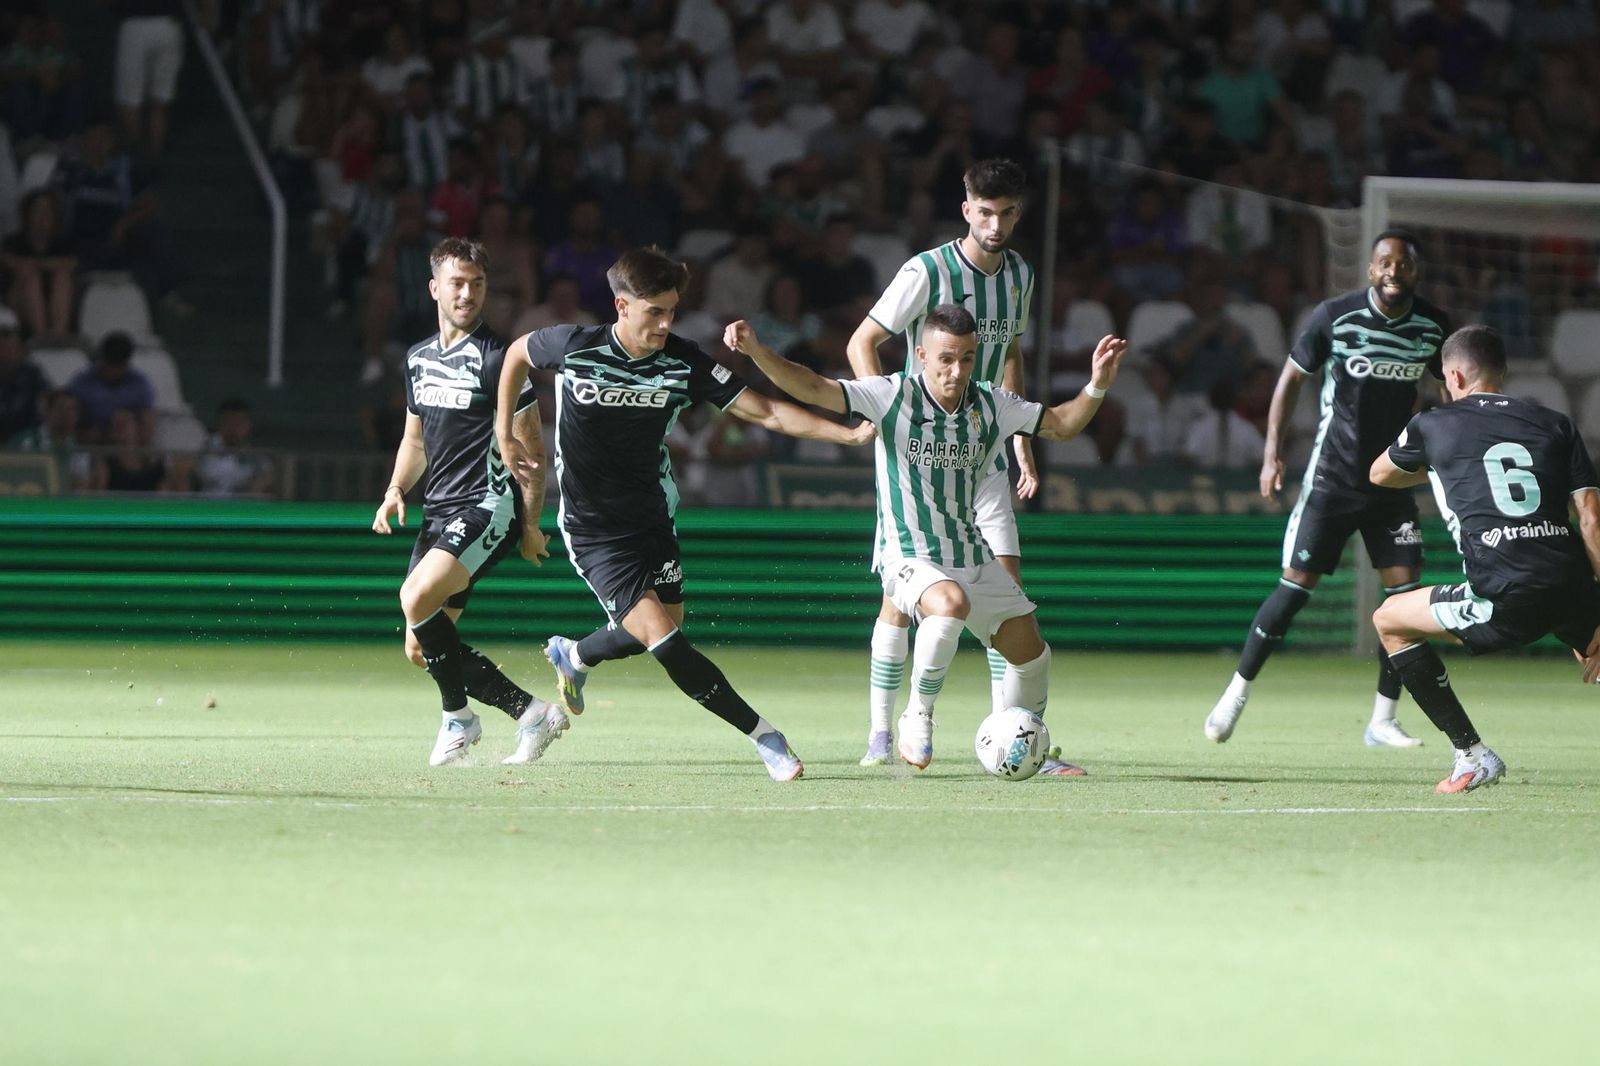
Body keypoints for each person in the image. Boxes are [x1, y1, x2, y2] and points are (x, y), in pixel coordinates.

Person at [493, 246, 873, 782]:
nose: (665, 324)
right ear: (622, 306)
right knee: (665, 640)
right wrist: (504, 429)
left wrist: (847, 435)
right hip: (594, 529)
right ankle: (766, 737)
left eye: (672, 311)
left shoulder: (684, 360)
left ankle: (574, 655)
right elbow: (515, 354)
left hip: (654, 518)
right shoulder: (573, 345)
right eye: (655, 312)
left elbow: (764, 411)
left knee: (660, 628)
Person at [726, 306, 1128, 770]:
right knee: (949, 603)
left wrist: (1097, 385)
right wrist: (758, 351)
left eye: (967, 359)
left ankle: (1023, 746)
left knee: (1033, 656)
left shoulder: (991, 403)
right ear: (922, 355)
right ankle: (917, 714)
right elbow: (813, 387)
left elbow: (1061, 424)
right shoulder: (891, 395)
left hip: (970, 552)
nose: (956, 371)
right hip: (906, 555)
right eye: (946, 359)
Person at [842, 158, 1064, 769]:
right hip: (920, 449)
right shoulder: (927, 270)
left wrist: (1021, 441)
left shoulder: (1019, 274)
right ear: (967, 210)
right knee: (903, 597)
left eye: (1007, 213)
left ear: (1018, 213)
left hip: (982, 447)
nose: (995, 225)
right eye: (985, 212)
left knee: (1005, 590)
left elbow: (1010, 350)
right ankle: (883, 734)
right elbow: (863, 340)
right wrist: (882, 414)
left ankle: (1015, 735)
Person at [1205, 230, 1452, 747]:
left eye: (1404, 264)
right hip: (1332, 478)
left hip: (1392, 482)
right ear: (1370, 269)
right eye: (1385, 262)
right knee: (1295, 589)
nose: (1394, 271)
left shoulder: (1432, 327)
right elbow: (1290, 380)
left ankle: (1382, 720)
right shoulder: (1335, 317)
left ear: (1415, 272)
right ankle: (1234, 695)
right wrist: (1272, 452)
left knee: (1403, 601)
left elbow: (1454, 385)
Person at [1369, 325, 1600, 793]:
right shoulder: (1555, 422)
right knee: (1592, 644)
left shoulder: (1432, 424)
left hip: (1504, 592)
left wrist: (1445, 465)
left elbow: (1379, 474)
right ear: (1502, 373)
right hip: (1572, 581)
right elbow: (1592, 519)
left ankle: (1471, 756)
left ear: (1453, 376)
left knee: (1389, 620)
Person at [371, 237, 565, 768]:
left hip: (488, 507)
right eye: (457, 283)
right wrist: (395, 489)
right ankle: (531, 713)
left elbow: (532, 451)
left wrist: (530, 524)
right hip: (438, 513)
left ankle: (458, 718)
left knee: (414, 598)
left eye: (477, 284)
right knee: (420, 648)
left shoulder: (500, 360)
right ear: (434, 288)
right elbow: (415, 441)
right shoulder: (417, 358)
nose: (467, 293)